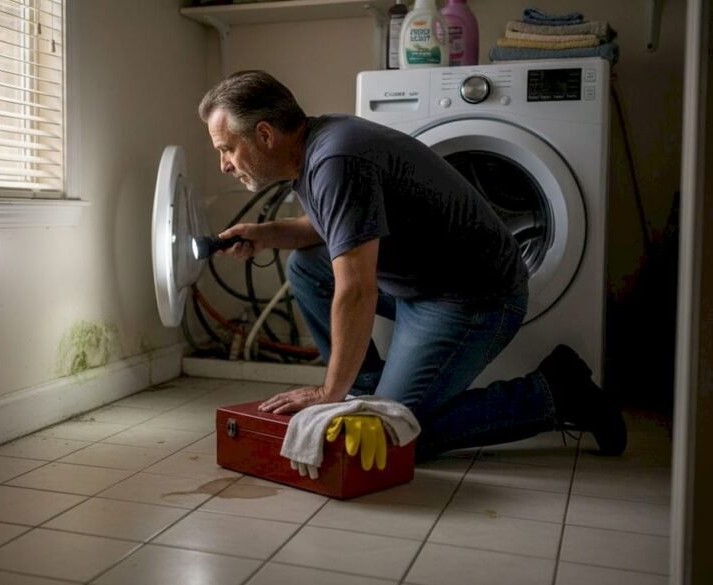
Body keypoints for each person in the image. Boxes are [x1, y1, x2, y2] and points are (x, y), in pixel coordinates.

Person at [198, 70, 626, 461]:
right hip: (421, 286)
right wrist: (264, 234)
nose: (223, 164)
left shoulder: (335, 161)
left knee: (386, 436)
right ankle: (365, 389)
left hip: (474, 298)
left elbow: (357, 289)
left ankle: (556, 394)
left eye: (226, 149)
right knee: (308, 265)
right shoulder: (317, 144)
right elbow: (330, 226)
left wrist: (328, 393)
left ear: (265, 134)